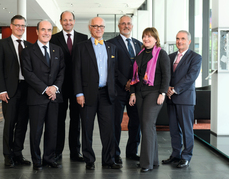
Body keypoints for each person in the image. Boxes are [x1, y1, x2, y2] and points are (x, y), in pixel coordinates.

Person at [72, 17, 121, 170]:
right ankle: (89, 160)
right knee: (87, 128)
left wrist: (114, 91)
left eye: (101, 26)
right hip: (87, 94)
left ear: (104, 28)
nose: (98, 29)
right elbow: (76, 72)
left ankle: (108, 159)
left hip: (106, 94)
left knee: (108, 130)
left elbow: (114, 72)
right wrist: (79, 93)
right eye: (95, 26)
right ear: (90, 28)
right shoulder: (81, 47)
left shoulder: (111, 47)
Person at [21, 20, 65, 170]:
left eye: (49, 30)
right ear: (37, 32)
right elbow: (28, 73)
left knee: (52, 130)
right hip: (37, 97)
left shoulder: (57, 50)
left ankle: (49, 158)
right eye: (43, 30)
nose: (46, 33)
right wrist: (45, 89)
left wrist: (54, 88)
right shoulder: (28, 51)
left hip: (54, 97)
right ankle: (37, 161)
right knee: (36, 131)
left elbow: (61, 71)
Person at [129, 27, 170, 172]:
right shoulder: (140, 54)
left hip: (154, 93)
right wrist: (133, 93)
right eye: (144, 36)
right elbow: (134, 76)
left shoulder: (161, 54)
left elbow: (166, 75)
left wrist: (163, 93)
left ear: (155, 39)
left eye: (149, 37)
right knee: (147, 126)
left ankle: (146, 163)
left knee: (147, 125)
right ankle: (153, 160)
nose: (146, 39)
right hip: (140, 93)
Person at [0, 15, 32, 168]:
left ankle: (18, 153)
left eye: (23, 26)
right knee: (10, 123)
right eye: (17, 25)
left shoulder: (29, 45)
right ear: (11, 26)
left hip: (27, 90)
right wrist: (1, 90)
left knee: (23, 123)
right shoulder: (2, 44)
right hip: (10, 90)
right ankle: (7, 155)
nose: (20, 28)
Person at [50, 11, 88, 162]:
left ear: (74, 20)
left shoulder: (83, 38)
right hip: (59, 86)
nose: (68, 22)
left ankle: (75, 152)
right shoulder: (53, 39)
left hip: (77, 87)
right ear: (60, 21)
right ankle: (57, 152)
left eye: (70, 20)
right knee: (59, 120)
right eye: (65, 20)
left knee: (76, 120)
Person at [162, 30, 202, 168]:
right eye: (178, 38)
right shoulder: (170, 56)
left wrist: (175, 89)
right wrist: (167, 87)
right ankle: (175, 155)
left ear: (189, 41)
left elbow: (190, 77)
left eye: (183, 39)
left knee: (186, 129)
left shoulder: (195, 57)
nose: (180, 41)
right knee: (173, 129)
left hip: (185, 98)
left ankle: (186, 156)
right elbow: (165, 74)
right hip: (170, 97)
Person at [107, 15, 141, 164]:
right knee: (116, 123)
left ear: (132, 26)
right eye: (123, 24)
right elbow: (110, 67)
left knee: (136, 122)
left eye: (129, 24)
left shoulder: (139, 44)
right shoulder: (110, 44)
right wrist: (125, 82)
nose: (126, 26)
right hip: (118, 90)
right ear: (119, 26)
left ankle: (132, 152)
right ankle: (115, 154)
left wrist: (134, 84)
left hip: (136, 91)